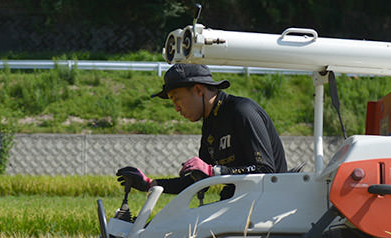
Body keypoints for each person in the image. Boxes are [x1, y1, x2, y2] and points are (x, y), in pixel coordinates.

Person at [117, 63, 287, 200]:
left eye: (176, 99)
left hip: (268, 205)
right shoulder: (211, 122)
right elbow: (196, 180)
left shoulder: (242, 111)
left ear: (198, 90)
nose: (176, 108)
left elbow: (265, 170)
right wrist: (150, 184)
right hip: (238, 203)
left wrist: (215, 171)